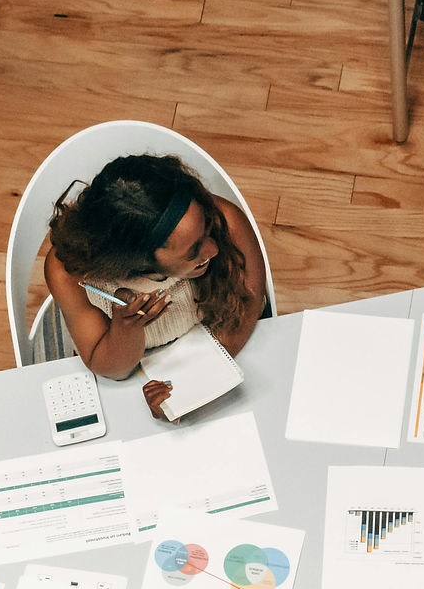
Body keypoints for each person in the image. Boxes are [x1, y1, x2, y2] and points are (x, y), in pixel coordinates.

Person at [45, 154, 268, 418]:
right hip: (138, 370)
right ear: (136, 263)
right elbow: (113, 370)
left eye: (207, 228)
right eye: (193, 251)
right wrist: (127, 328)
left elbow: (247, 303)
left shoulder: (225, 219)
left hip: (222, 343)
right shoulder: (68, 275)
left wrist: (191, 388)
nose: (214, 248)